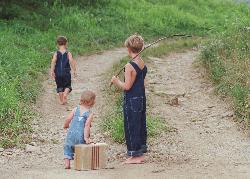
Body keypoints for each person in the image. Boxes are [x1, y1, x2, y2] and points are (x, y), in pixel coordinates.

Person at [111, 34, 147, 164]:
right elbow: (142, 83)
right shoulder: (142, 62)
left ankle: (136, 155)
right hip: (141, 97)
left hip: (132, 100)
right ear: (141, 48)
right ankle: (140, 150)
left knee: (131, 125)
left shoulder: (129, 66)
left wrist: (116, 81)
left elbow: (126, 87)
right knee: (140, 124)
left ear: (128, 49)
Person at [63, 90, 96, 169]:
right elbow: (87, 126)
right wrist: (86, 138)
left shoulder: (75, 109)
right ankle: (80, 164)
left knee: (68, 148)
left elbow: (68, 119)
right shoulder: (89, 113)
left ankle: (67, 164)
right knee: (80, 149)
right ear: (91, 102)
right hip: (80, 135)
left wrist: (66, 125)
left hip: (71, 135)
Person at [50, 36, 77, 105]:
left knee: (59, 86)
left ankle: (62, 101)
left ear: (57, 44)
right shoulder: (68, 53)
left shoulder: (56, 53)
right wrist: (74, 70)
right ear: (66, 43)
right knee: (68, 86)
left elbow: (53, 61)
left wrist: (52, 71)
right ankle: (65, 94)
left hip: (58, 72)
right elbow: (71, 61)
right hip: (66, 72)